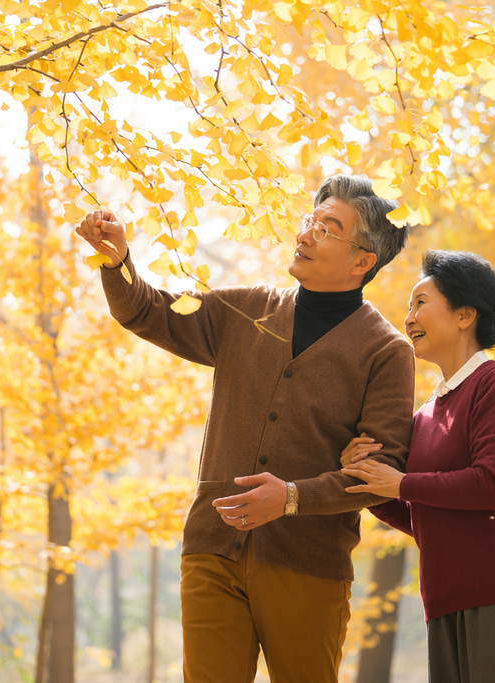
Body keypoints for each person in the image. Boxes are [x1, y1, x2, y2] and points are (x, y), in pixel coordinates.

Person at [75, 175, 414, 683]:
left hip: (308, 561)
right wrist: (116, 259)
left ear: (363, 260)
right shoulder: (244, 310)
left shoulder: (386, 352)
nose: (305, 235)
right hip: (213, 545)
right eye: (310, 221)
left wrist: (293, 497)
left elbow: (378, 472)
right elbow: (147, 311)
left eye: (327, 228)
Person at [341, 250, 495, 683]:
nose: (408, 317)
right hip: (442, 601)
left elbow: (490, 485)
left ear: (464, 315)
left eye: (420, 303)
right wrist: (363, 480)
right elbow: (422, 516)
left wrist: (399, 482)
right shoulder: (424, 414)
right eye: (407, 307)